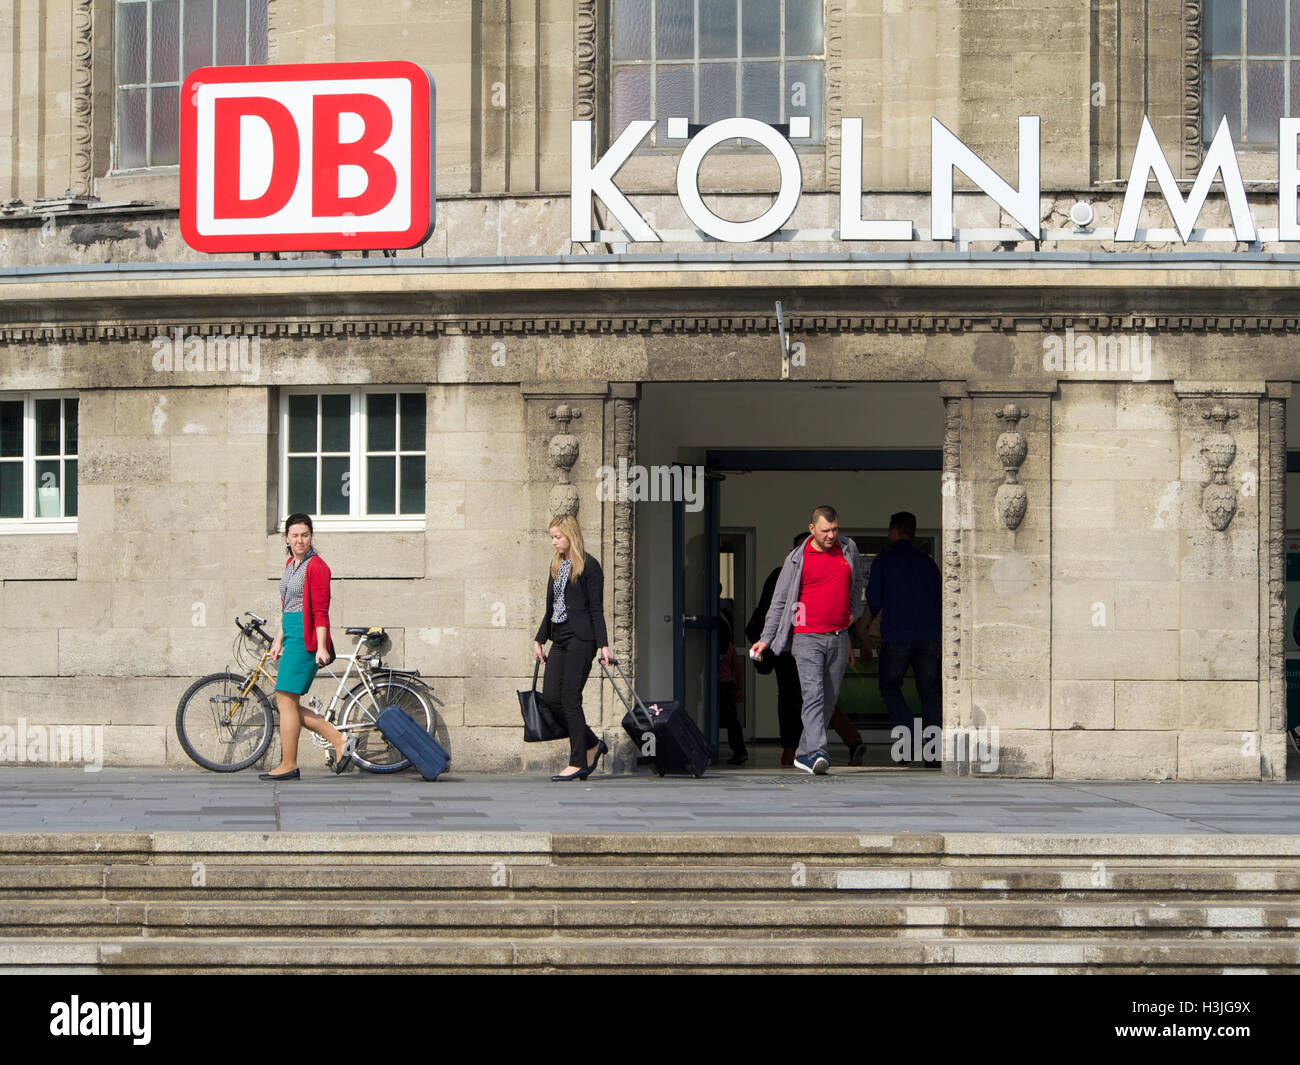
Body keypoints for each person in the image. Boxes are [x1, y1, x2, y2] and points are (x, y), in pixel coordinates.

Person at [750, 506, 866, 775]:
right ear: (812, 528)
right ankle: (817, 751)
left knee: (829, 698)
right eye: (826, 530)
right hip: (806, 638)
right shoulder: (796, 559)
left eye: (835, 529)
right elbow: (779, 602)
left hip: (837, 636)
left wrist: (855, 612)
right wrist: (766, 639)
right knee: (812, 694)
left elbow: (857, 582)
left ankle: (803, 752)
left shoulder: (848, 549)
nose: (831, 535)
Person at [260, 513, 355, 780]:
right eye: (295, 535)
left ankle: (290, 763)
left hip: (306, 637)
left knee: (285, 699)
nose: (300, 540)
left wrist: (322, 646)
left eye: (304, 534)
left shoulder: (317, 566)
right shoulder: (291, 564)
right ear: (286, 538)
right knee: (286, 702)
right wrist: (278, 639)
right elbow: (287, 606)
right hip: (290, 633)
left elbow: (320, 610)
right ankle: (338, 739)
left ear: (310, 536)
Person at [533, 514, 612, 781]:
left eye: (558, 537)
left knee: (570, 698)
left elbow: (596, 609)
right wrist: (539, 640)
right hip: (559, 637)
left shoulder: (590, 566)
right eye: (552, 537)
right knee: (551, 698)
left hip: (582, 639)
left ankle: (578, 761)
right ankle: (592, 743)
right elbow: (550, 607)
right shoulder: (556, 565)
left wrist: (603, 646)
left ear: (571, 536)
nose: (554, 542)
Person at [865, 511, 942, 768]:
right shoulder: (928, 564)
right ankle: (934, 755)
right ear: (914, 531)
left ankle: (908, 735)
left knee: (889, 687)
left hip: (897, 635)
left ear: (893, 530)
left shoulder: (884, 561)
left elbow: (874, 599)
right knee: (930, 694)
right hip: (929, 635)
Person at [717, 619, 747, 765]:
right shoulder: (729, 646)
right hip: (728, 685)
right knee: (732, 720)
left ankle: (739, 751)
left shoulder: (711, 645)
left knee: (727, 719)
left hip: (720, 685)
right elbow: (737, 669)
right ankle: (739, 750)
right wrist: (739, 688)